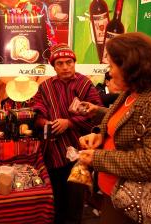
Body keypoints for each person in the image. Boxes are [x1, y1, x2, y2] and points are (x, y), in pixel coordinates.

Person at [78, 32, 151, 224]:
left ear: (130, 65)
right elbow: (121, 121)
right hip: (112, 193)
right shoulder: (130, 92)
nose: (109, 72)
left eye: (111, 66)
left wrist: (97, 158)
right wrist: (99, 135)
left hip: (136, 201)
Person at [32, 43, 103, 224]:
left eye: (69, 62)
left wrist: (69, 123)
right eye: (60, 63)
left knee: (75, 200)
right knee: (57, 198)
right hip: (53, 151)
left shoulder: (85, 84)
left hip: (78, 154)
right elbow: (37, 112)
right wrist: (45, 123)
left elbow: (97, 114)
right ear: (53, 66)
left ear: (74, 62)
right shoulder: (45, 87)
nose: (65, 67)